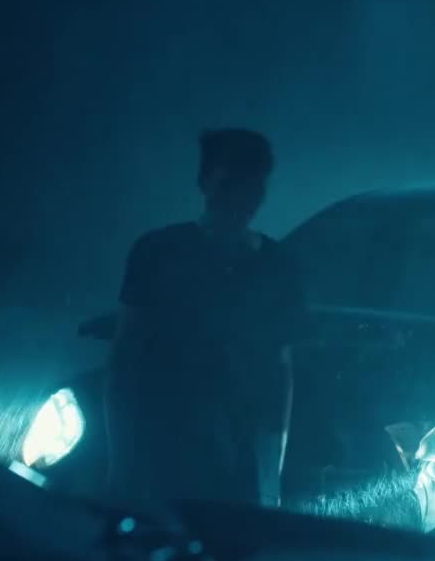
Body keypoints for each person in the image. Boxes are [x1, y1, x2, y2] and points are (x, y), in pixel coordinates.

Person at [105, 129, 308, 508]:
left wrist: (271, 460)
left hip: (237, 446)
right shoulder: (159, 252)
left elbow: (281, 368)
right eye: (233, 182)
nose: (244, 196)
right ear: (207, 183)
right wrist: (120, 454)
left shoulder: (278, 266)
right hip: (166, 438)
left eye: (253, 184)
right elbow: (124, 354)